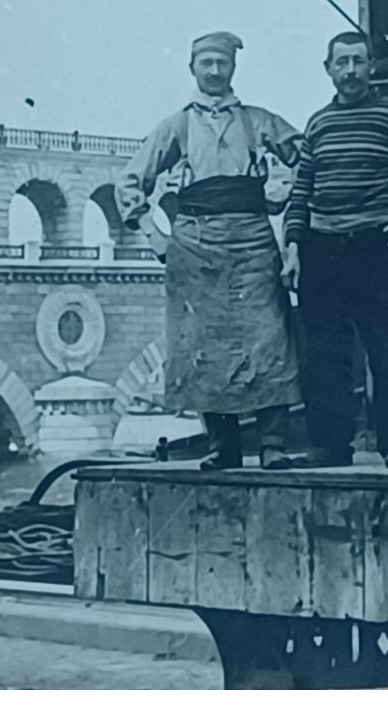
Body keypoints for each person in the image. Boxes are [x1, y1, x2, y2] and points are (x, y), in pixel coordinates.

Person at [115, 31, 302, 471]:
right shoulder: (176, 126)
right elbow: (129, 181)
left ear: (233, 68)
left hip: (254, 241)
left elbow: (307, 157)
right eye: (207, 64)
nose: (215, 71)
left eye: (223, 63)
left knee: (269, 338)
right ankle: (223, 446)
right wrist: (151, 233)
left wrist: (285, 194)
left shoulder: (260, 121)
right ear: (193, 69)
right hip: (195, 246)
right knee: (201, 345)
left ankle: (273, 444)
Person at [282, 30, 388, 470]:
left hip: (377, 247)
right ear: (329, 70)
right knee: (324, 353)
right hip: (322, 249)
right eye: (342, 63)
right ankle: (330, 446)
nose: (351, 71)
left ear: (370, 66)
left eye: (359, 61)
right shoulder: (318, 123)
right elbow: (301, 192)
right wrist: (294, 247)